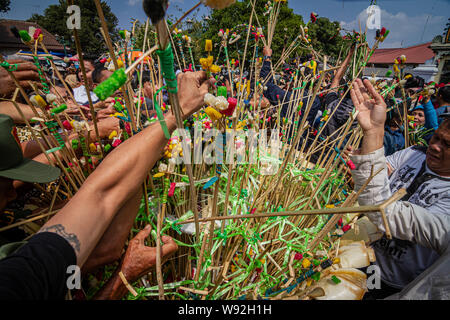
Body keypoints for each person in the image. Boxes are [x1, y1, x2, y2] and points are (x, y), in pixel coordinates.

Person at [0, 70, 215, 299]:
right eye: (3, 182)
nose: (13, 192)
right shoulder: (16, 281)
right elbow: (103, 222)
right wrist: (123, 276)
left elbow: (100, 199)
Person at [348, 78, 450, 299]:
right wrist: (369, 144)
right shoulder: (415, 153)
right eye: (436, 137)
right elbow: (375, 174)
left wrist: (374, 135)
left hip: (392, 279)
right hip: (361, 255)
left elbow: (390, 217)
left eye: (447, 144)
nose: (434, 146)